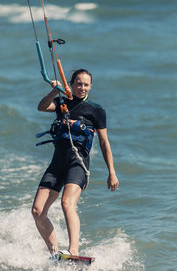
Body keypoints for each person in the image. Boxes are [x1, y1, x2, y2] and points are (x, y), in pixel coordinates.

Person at [32, 69, 119, 257]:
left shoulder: (96, 110)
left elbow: (104, 143)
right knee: (37, 211)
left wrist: (111, 172)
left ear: (91, 86)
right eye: (78, 83)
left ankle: (73, 251)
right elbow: (41, 106)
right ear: (71, 84)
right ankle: (56, 254)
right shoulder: (62, 103)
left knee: (67, 203)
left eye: (86, 84)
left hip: (77, 164)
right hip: (57, 164)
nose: (82, 87)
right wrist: (55, 90)